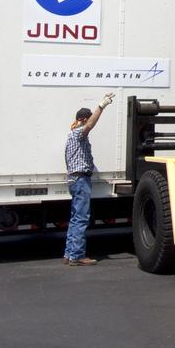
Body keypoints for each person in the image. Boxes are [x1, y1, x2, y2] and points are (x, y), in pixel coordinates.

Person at [63, 92, 114, 267]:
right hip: (80, 180)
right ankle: (77, 256)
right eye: (87, 120)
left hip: (73, 180)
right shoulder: (78, 133)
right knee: (81, 218)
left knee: (75, 217)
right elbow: (90, 125)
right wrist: (102, 105)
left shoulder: (70, 135)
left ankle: (69, 254)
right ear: (83, 120)